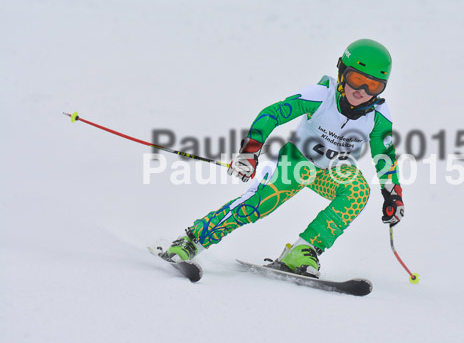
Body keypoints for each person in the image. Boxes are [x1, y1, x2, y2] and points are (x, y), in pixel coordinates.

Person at [160, 39, 405, 278]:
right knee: (258, 204)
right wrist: (250, 151)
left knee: (357, 191)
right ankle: (191, 240)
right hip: (297, 162)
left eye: (373, 86)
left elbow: (384, 156)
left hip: (334, 171)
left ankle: (302, 251)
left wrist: (393, 194)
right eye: (356, 80)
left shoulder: (378, 116)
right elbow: (272, 114)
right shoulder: (322, 95)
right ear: (341, 72)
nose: (361, 91)